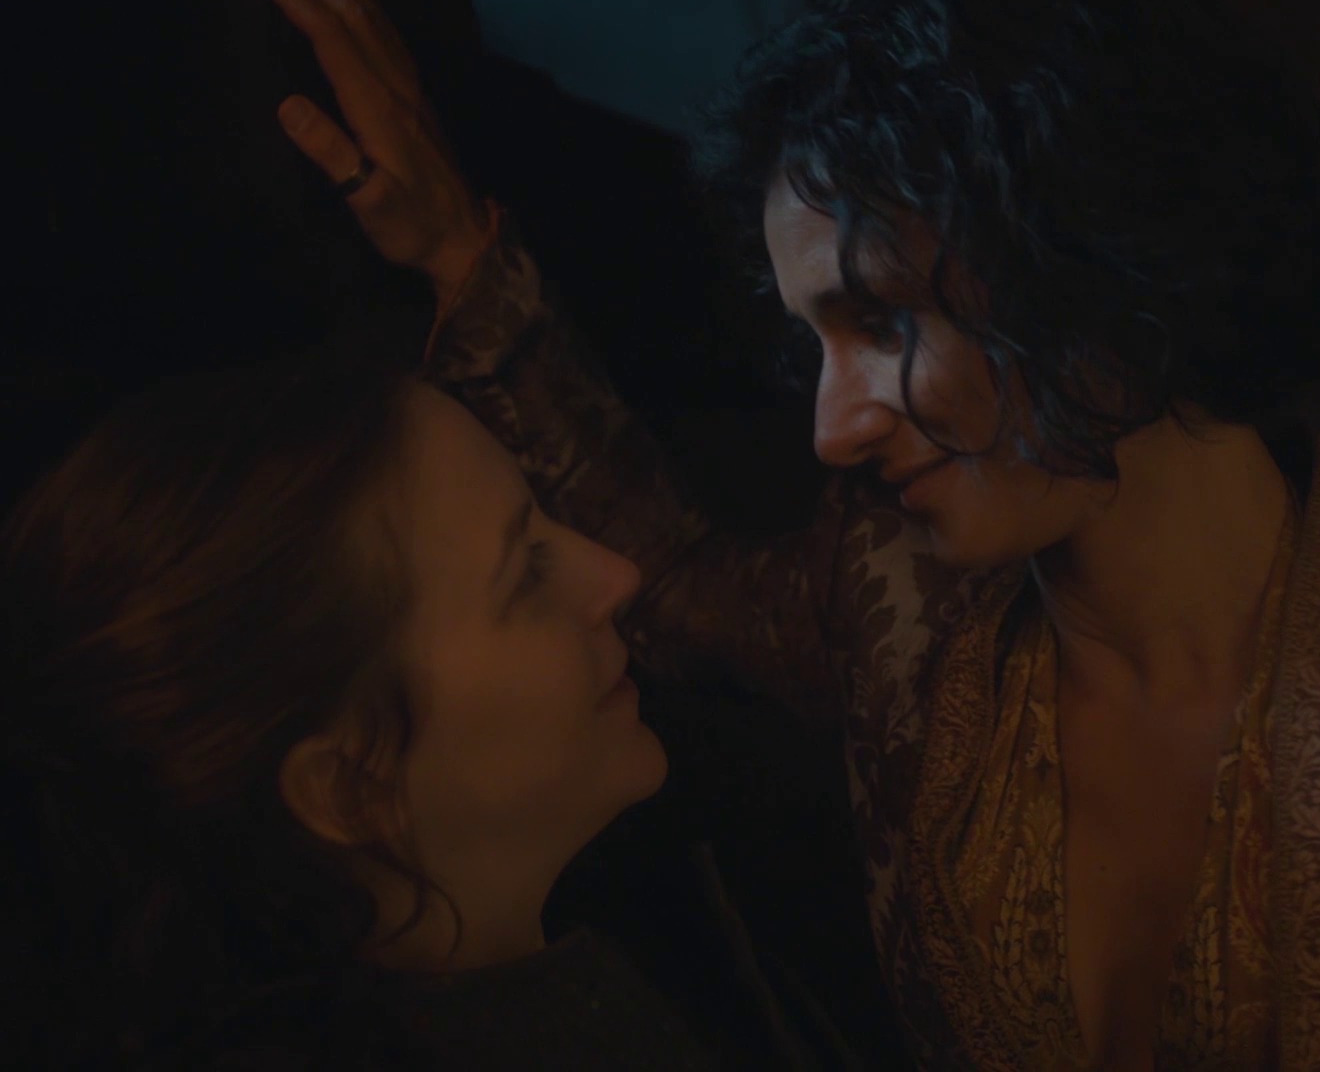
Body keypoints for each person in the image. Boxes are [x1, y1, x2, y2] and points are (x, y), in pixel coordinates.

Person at [269, 0, 1320, 1067]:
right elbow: (671, 580)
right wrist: (458, 255)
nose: (832, 428)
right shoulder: (895, 606)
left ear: (1101, 278)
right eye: (810, 343)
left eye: (881, 323)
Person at [0, 350, 813, 1069]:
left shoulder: (653, 914)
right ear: (352, 787)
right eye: (525, 574)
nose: (617, 575)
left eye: (543, 517)